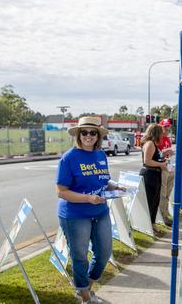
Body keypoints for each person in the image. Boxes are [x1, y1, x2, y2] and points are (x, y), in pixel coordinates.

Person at [56, 116, 124, 304]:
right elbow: (61, 192)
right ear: (78, 134)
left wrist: (115, 187)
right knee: (80, 256)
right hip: (75, 215)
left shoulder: (101, 155)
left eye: (93, 132)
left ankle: (86, 287)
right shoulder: (68, 158)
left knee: (103, 253)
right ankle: (85, 296)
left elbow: (103, 181)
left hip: (100, 212)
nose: (88, 136)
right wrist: (88, 198)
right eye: (84, 132)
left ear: (98, 135)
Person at [140, 123, 167, 231]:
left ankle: (152, 223)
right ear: (156, 133)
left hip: (155, 174)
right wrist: (162, 165)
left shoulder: (153, 144)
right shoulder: (150, 144)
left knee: (155, 200)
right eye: (161, 132)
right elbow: (147, 161)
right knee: (150, 200)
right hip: (150, 175)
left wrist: (164, 156)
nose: (163, 135)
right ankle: (148, 225)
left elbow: (155, 158)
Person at [158, 118, 175, 226]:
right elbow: (157, 155)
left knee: (168, 192)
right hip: (162, 167)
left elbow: (168, 154)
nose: (167, 128)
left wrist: (170, 153)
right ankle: (162, 216)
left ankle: (166, 212)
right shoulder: (158, 139)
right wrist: (164, 153)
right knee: (163, 193)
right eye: (165, 127)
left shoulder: (168, 139)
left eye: (168, 126)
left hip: (169, 166)